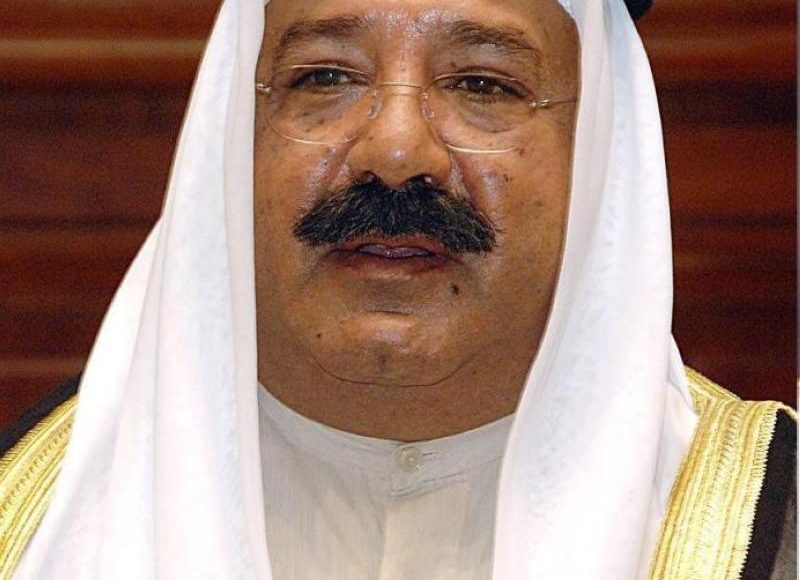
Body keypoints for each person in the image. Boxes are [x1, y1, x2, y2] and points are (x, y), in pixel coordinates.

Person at [0, 0, 794, 577]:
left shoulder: (776, 526)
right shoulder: (26, 528)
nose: (395, 149)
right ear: (230, 134)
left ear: (599, 153)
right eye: (324, 76)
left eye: (483, 84)